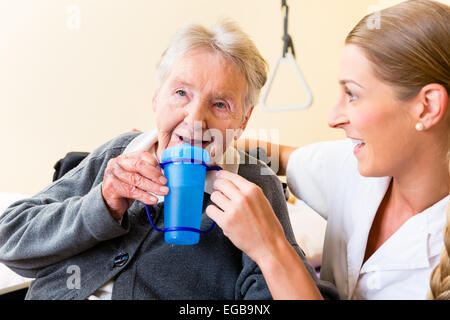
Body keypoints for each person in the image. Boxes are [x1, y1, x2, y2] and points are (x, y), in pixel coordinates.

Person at [0, 21, 337, 300]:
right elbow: (10, 240)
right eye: (181, 93)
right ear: (156, 98)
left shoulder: (253, 182)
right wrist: (101, 205)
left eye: (221, 104)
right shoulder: (120, 154)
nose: (195, 120)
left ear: (243, 121)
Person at [207, 0, 450, 299]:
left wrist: (271, 248)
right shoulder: (353, 165)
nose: (333, 118)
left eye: (353, 94)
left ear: (427, 107)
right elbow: (277, 156)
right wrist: (184, 143)